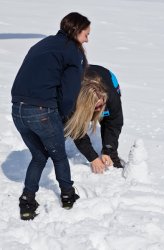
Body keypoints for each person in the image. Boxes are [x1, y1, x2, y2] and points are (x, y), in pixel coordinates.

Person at [11, 12, 91, 220]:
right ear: (76, 31)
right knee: (58, 155)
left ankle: (27, 201)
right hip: (41, 111)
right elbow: (70, 92)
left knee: (38, 155)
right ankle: (67, 195)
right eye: (86, 34)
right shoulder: (73, 52)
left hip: (17, 109)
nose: (87, 39)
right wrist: (62, 116)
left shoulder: (44, 43)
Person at [64, 64, 124, 174]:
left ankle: (113, 159)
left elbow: (114, 123)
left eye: (101, 104)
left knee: (107, 117)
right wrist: (92, 157)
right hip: (75, 89)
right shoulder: (71, 99)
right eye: (96, 107)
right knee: (63, 124)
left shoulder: (111, 98)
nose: (99, 109)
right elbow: (77, 130)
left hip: (106, 77)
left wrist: (108, 150)